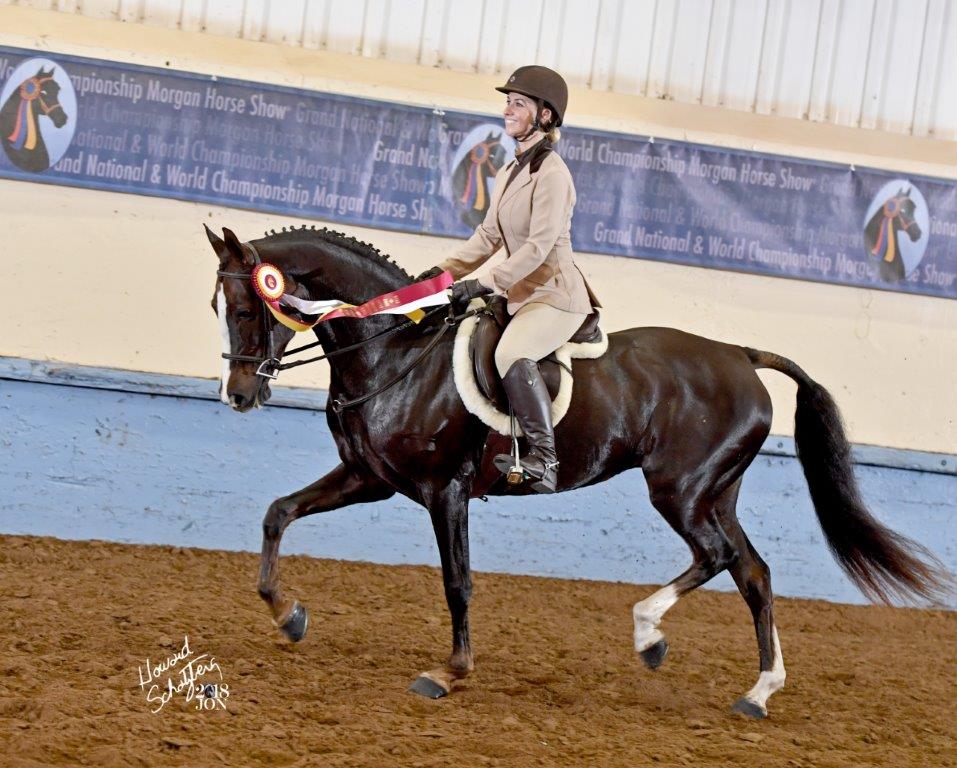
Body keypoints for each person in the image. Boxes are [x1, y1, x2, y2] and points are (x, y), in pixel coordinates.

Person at [418, 65, 600, 494]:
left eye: (519, 104)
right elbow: (488, 236)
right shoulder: (508, 170)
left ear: (545, 116)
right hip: (520, 292)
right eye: (508, 102)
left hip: (554, 294)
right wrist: (444, 272)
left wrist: (484, 284)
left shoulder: (554, 175)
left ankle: (545, 458)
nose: (508, 110)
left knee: (511, 352)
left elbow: (538, 248)